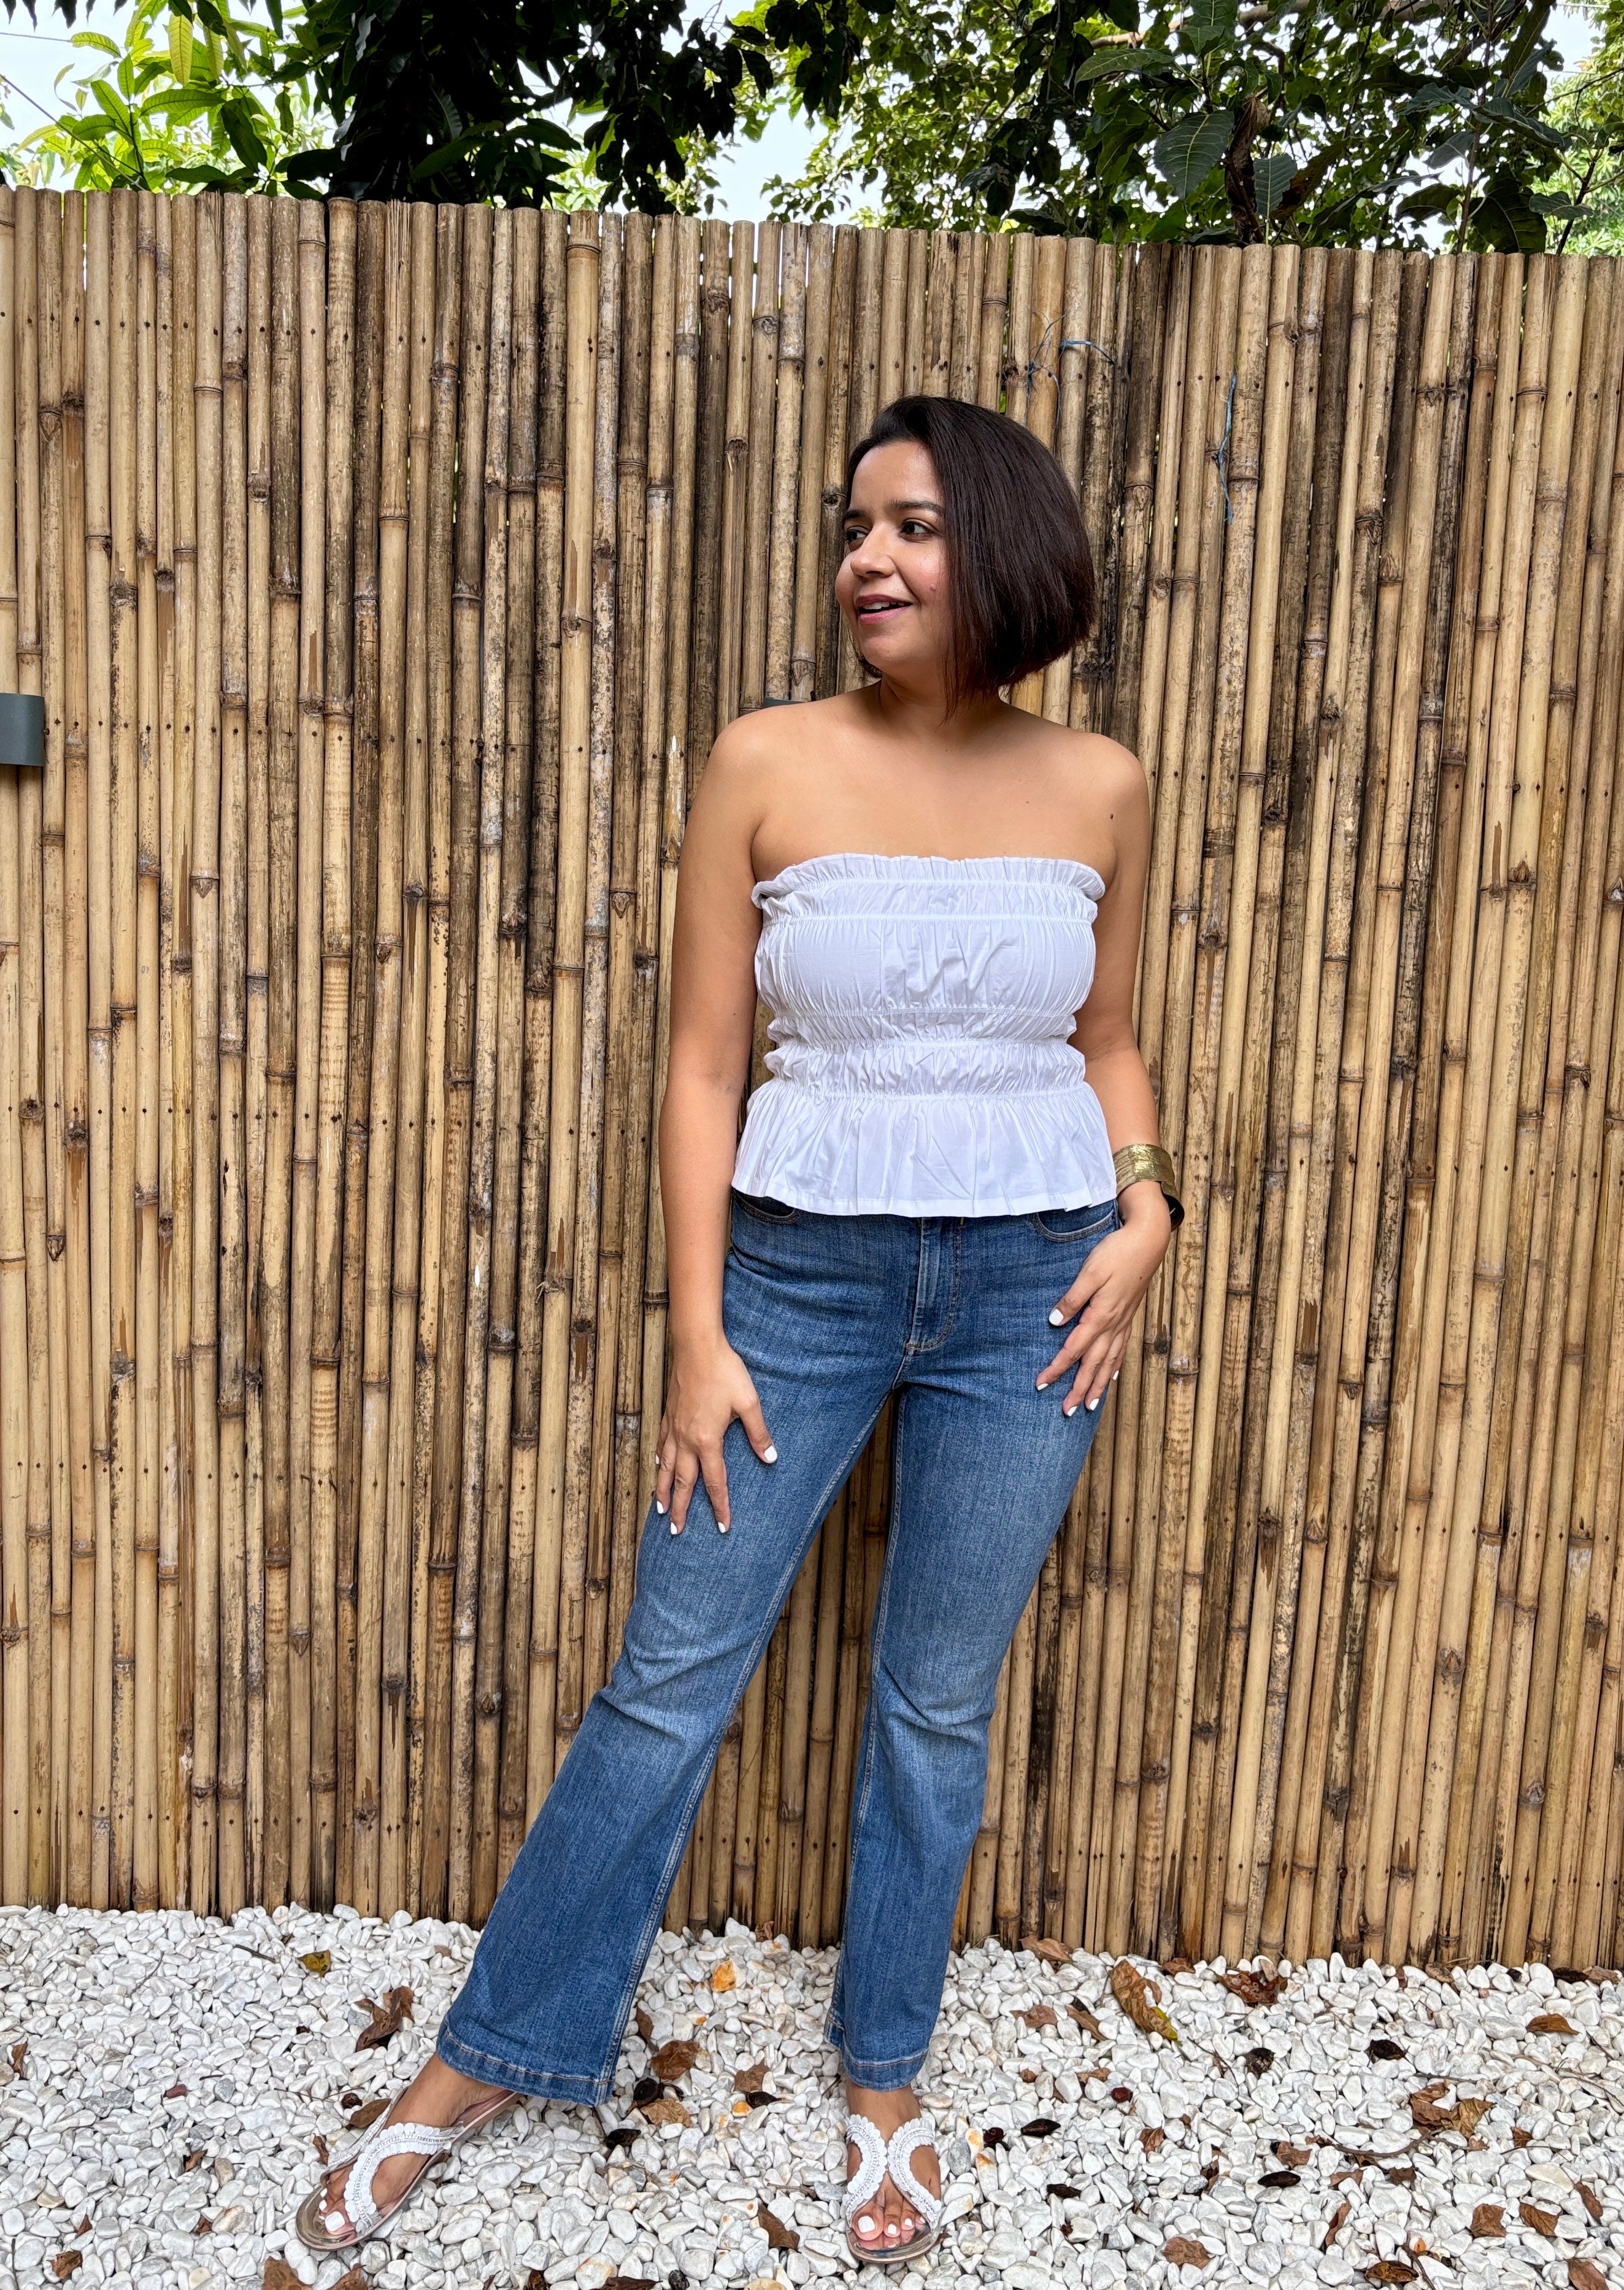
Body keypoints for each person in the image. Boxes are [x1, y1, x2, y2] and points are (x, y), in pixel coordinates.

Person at [295, 391, 1179, 2268]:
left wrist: (1154, 1200)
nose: (870, 557)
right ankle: (486, 2056)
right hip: (797, 1281)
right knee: (669, 1677)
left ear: (1005, 542)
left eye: (915, 524)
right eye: (856, 526)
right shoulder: (765, 759)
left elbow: (1103, 1039)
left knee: (937, 1698)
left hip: (1035, 1283)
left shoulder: (1100, 784)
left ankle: (886, 2077)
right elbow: (705, 1066)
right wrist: (701, 1331)